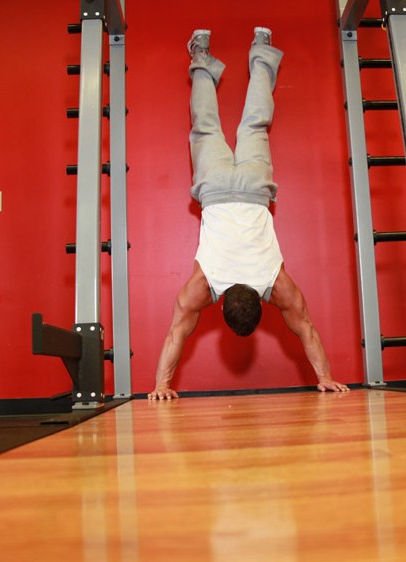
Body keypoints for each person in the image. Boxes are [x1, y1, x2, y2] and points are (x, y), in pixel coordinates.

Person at [148, 28, 349, 400]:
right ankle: (203, 54)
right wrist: (160, 387)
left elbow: (306, 328)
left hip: (255, 188)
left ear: (262, 299)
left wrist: (326, 376)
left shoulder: (277, 283)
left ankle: (262, 44)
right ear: (220, 301)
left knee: (254, 123)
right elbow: (176, 331)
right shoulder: (202, 286)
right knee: (205, 125)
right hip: (216, 188)